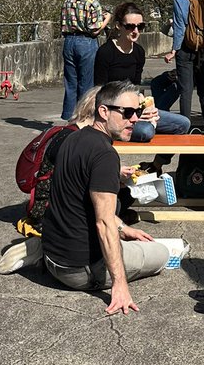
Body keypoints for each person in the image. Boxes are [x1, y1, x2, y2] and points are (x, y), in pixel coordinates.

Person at [41, 81, 170, 314]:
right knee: (162, 253)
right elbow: (103, 222)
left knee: (124, 231)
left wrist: (124, 228)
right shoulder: (105, 155)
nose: (134, 119)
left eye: (138, 112)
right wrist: (119, 284)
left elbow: (83, 204)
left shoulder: (72, 137)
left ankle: (34, 252)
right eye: (127, 113)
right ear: (103, 112)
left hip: (52, 257)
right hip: (79, 271)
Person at [93, 2, 191, 141]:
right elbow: (99, 90)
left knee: (183, 123)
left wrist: (145, 107)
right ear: (119, 26)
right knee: (145, 132)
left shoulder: (139, 52)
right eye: (130, 26)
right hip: (114, 110)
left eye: (140, 26)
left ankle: (157, 163)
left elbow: (135, 87)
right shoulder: (106, 52)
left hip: (134, 109)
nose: (136, 31)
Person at [163, 0, 204, 130]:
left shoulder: (180, 1)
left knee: (186, 90)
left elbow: (180, 28)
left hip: (186, 49)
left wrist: (174, 50)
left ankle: (185, 126)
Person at [60, 0, 110, 121]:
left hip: (69, 41)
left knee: (71, 82)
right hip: (86, 42)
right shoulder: (92, 1)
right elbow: (95, 30)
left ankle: (69, 117)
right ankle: (83, 117)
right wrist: (107, 18)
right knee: (86, 83)